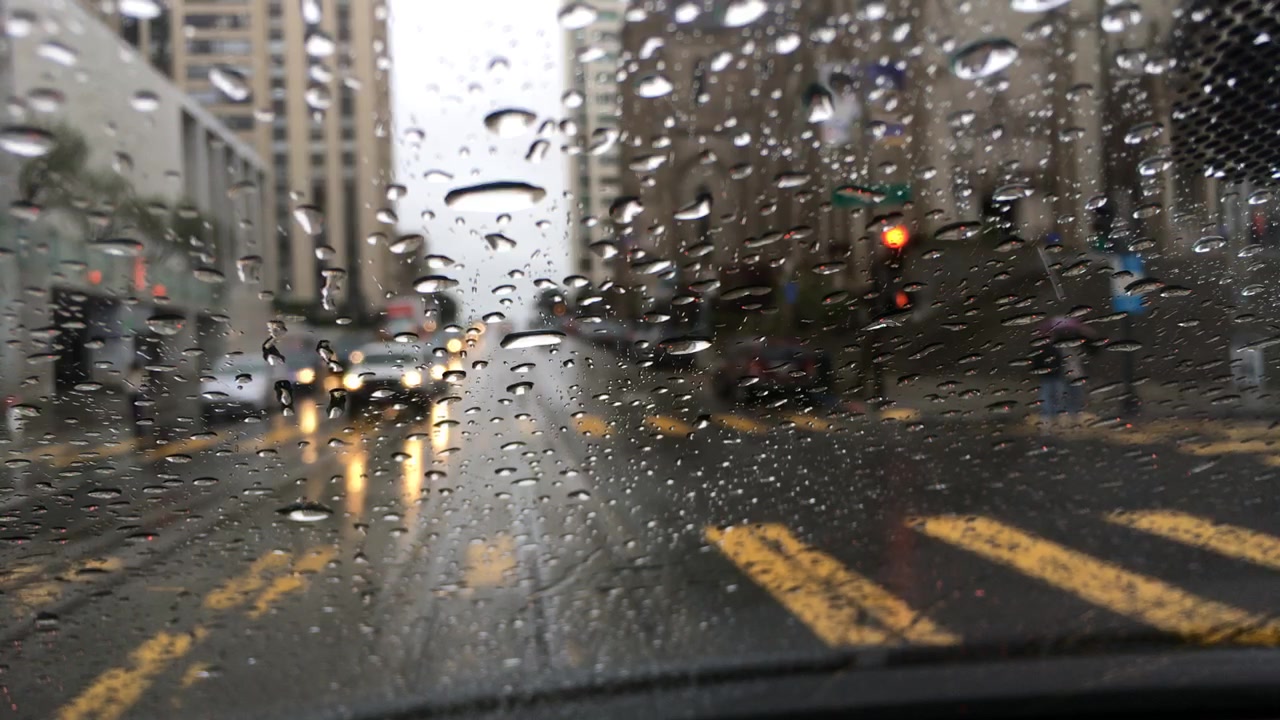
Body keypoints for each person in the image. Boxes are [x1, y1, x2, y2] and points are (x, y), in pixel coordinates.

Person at [1031, 342, 1066, 424]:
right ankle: (1048, 417)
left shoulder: (1054, 349)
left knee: (1054, 396)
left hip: (1053, 376)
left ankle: (1053, 417)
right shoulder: (1043, 349)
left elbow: (1059, 361)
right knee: (1048, 396)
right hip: (1048, 377)